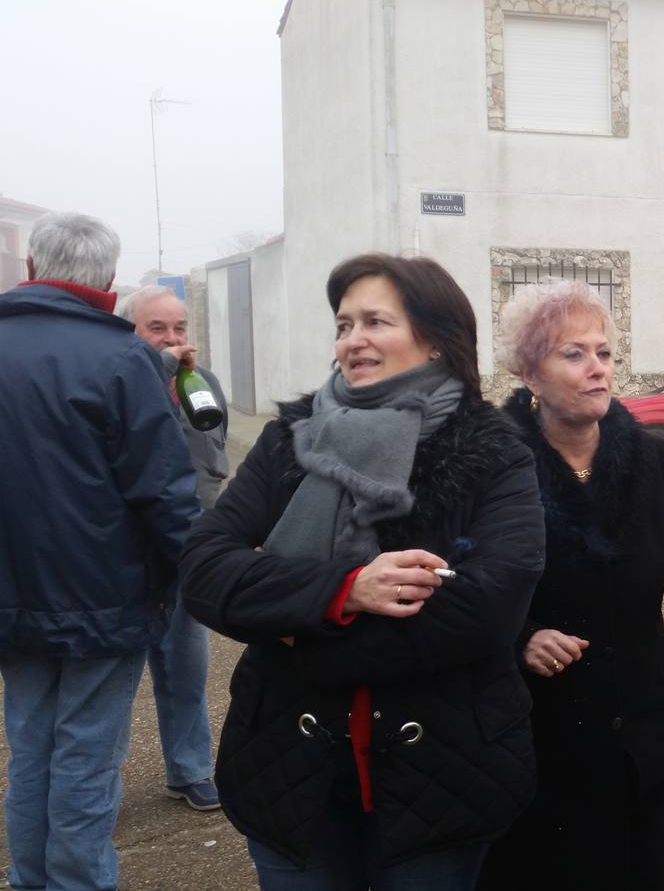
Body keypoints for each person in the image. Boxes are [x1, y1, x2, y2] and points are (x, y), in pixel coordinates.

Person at [179, 253, 545, 889]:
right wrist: (344, 591)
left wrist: (291, 625)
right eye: (344, 324)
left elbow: (486, 610)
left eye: (376, 321)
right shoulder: (287, 438)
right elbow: (206, 569)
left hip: (443, 776)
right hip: (288, 771)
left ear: (435, 339)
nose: (354, 339)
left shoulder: (493, 449)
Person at [477, 281, 664, 891]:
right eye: (574, 354)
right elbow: (457, 582)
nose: (598, 369)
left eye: (605, 353)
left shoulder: (653, 460)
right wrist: (521, 639)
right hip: (538, 738)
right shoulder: (489, 469)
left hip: (643, 732)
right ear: (528, 374)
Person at [0, 212, 201, 891]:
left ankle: (32, 880)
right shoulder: (124, 360)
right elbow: (165, 492)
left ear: (31, 269)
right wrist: (206, 573)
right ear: (110, 281)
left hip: (10, 600)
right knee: (85, 759)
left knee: (30, 751)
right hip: (105, 600)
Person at [118, 285, 228, 812]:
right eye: (156, 328)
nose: (173, 338)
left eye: (178, 328)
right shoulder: (117, 383)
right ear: (130, 331)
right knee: (116, 676)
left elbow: (215, 456)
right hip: (129, 552)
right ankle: (98, 783)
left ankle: (189, 769)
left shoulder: (202, 383)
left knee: (186, 662)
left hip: (191, 543)